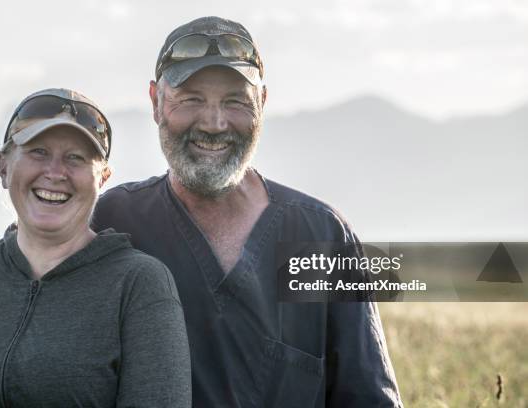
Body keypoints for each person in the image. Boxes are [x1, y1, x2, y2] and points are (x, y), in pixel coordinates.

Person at [92, 16, 403, 407]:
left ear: (262, 103)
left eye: (235, 100)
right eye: (191, 99)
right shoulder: (116, 222)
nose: (214, 123)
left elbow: (368, 398)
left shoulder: (321, 236)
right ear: (156, 102)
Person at [0, 88, 191, 407]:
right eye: (38, 152)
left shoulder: (138, 285)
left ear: (102, 179)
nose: (55, 173)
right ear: (3, 166)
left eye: (76, 158)